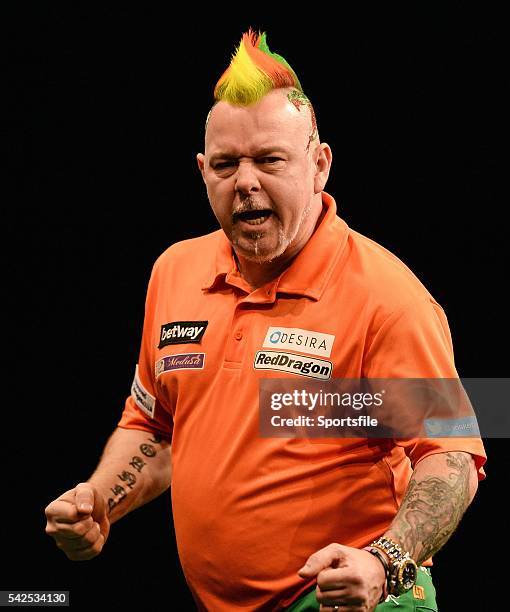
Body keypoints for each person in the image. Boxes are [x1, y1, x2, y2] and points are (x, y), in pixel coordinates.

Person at [45, 30, 487, 611]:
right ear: (203, 171)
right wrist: (101, 499)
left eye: (270, 160)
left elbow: (452, 455)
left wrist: (384, 563)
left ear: (319, 164)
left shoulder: (388, 297)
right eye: (227, 164)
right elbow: (157, 428)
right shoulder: (174, 272)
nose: (246, 182)